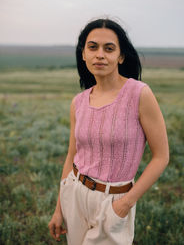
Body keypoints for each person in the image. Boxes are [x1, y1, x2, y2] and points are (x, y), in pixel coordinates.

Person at [48, 18, 169, 245]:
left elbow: (162, 157)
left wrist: (125, 204)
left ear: (121, 56)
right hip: (74, 194)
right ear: (83, 54)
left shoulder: (139, 94)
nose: (100, 54)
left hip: (115, 201)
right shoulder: (79, 102)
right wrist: (59, 209)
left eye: (109, 48)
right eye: (92, 47)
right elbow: (71, 155)